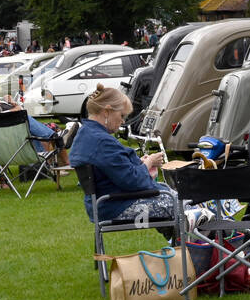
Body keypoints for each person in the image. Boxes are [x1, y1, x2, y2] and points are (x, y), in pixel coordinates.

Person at [68, 84, 175, 237]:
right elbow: (134, 181)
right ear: (107, 111)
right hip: (115, 207)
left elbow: (115, 170)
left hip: (103, 205)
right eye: (121, 116)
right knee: (184, 205)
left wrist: (138, 163)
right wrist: (148, 163)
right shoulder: (102, 142)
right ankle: (198, 254)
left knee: (175, 198)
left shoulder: (85, 135)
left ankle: (184, 253)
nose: (123, 122)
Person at [0, 74, 57, 155]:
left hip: (3, 134)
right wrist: (14, 110)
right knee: (25, 120)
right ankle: (51, 136)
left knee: (28, 127)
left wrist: (13, 103)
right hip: (1, 138)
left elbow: (20, 110)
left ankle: (41, 163)